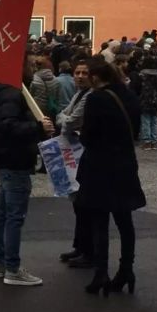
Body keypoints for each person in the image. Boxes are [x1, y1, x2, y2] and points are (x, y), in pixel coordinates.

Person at [76, 58, 145, 296]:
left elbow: (88, 136)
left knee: (99, 222)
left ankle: (101, 272)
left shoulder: (96, 98)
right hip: (125, 165)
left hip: (99, 166)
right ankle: (126, 269)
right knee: (125, 221)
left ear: (95, 77)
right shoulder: (129, 97)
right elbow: (135, 130)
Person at [0, 65, 55, 286]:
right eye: (31, 65)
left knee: (3, 215)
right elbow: (10, 126)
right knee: (14, 216)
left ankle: (0, 263)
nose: (33, 69)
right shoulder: (12, 95)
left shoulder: (0, 92)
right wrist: (37, 127)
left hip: (4, 158)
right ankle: (13, 269)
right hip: (15, 159)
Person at [55, 59, 94, 268]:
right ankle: (79, 246)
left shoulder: (89, 96)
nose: (79, 76)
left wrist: (64, 118)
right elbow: (62, 114)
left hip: (81, 152)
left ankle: (87, 250)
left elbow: (71, 119)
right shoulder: (79, 94)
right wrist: (64, 118)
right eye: (77, 72)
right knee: (78, 203)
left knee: (84, 204)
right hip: (73, 151)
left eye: (84, 72)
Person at [136, 56, 157, 150]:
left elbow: (138, 87)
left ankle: (147, 142)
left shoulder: (142, 74)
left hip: (145, 99)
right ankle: (155, 142)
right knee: (155, 121)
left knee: (146, 121)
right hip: (156, 99)